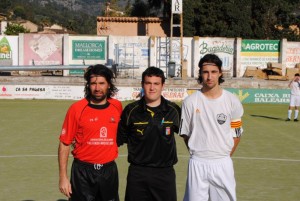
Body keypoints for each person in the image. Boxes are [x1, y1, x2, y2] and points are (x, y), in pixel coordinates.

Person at [179, 54, 244, 201]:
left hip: (222, 163)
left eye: (213, 72)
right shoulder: (190, 102)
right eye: (205, 72)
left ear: (220, 73)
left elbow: (237, 134)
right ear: (200, 74)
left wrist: (224, 155)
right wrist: (199, 152)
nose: (209, 76)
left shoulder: (232, 101)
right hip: (198, 162)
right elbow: (185, 133)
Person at [58, 64, 122, 201]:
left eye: (101, 83)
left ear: (109, 85)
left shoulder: (117, 106)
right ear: (88, 85)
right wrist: (63, 177)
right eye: (93, 83)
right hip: (83, 172)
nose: (97, 88)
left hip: (109, 171)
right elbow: (64, 143)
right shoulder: (76, 109)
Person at [117, 66, 181, 201]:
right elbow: (117, 139)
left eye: (156, 84)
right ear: (142, 85)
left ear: (163, 85)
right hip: (138, 173)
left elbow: (189, 136)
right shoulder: (131, 111)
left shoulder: (173, 110)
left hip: (165, 173)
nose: (152, 88)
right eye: (148, 83)